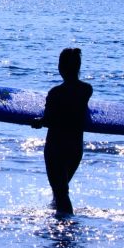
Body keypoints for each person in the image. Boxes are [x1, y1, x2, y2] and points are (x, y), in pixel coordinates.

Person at [31, 48, 92, 215]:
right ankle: (61, 221)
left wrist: (38, 123)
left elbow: (48, 119)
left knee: (60, 192)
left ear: (60, 68)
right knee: (60, 190)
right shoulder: (86, 90)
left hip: (56, 147)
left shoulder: (55, 93)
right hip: (75, 148)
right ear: (78, 67)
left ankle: (66, 228)